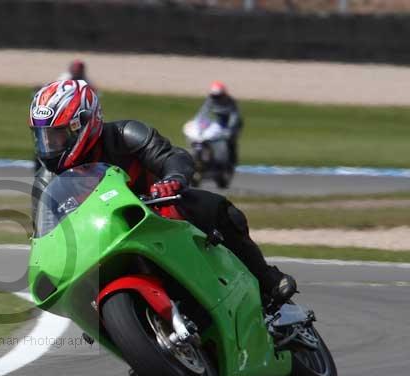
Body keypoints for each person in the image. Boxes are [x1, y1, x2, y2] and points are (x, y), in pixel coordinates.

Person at [29, 79, 295, 310]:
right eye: (43, 138)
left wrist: (172, 180)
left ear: (85, 123)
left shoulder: (126, 135)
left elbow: (174, 157)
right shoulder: (46, 181)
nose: (50, 147)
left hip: (161, 214)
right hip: (103, 242)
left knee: (222, 212)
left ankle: (266, 279)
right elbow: (47, 237)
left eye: (58, 136)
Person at [198, 81, 242, 167]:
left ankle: (231, 160)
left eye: (218, 96)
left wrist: (229, 129)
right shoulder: (210, 100)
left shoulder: (230, 102)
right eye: (214, 96)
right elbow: (203, 112)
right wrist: (200, 123)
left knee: (230, 139)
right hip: (216, 123)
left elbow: (234, 117)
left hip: (230, 124)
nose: (216, 98)